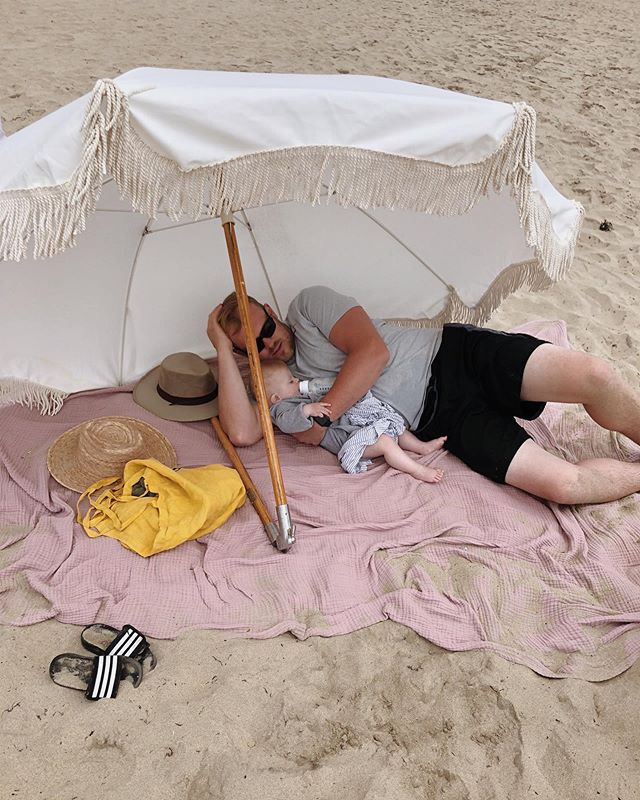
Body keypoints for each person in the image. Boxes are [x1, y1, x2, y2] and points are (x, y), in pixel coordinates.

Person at [207, 285, 640, 505]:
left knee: (595, 376)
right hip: (442, 419)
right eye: (252, 346)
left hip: (453, 356)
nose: (268, 344)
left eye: (264, 328)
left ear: (268, 308)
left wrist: (326, 411)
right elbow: (244, 434)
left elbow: (372, 353)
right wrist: (223, 349)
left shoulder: (307, 306)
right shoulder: (277, 391)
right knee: (564, 485)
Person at [261, 359, 446, 482]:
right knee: (385, 442)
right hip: (347, 440)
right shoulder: (280, 410)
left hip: (353, 424)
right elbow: (287, 423)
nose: (296, 380)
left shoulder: (299, 396)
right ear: (276, 397)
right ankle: (417, 471)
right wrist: (307, 410)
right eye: (290, 381)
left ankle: (421, 447)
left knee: (389, 421)